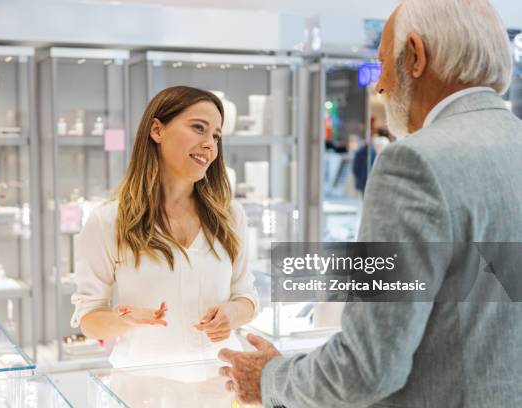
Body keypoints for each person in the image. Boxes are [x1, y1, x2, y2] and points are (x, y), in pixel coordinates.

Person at [219, 0, 522, 406]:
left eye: (383, 64)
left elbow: (367, 369)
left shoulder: (415, 162)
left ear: (415, 56)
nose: (380, 85)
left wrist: (271, 378)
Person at [71, 86, 258, 367]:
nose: (210, 144)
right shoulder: (108, 221)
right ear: (157, 131)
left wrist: (232, 313)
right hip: (144, 386)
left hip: (218, 381)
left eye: (216, 136)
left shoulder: (230, 216)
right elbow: (89, 319)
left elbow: (247, 296)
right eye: (198, 128)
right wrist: (124, 321)